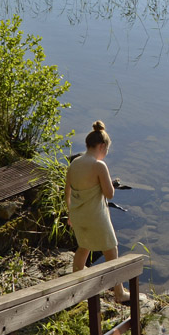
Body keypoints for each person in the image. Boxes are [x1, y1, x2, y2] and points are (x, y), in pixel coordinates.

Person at [65, 120, 129, 302]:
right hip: (95, 217)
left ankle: (75, 287)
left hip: (77, 215)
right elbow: (109, 194)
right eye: (106, 150)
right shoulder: (99, 166)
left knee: (83, 247)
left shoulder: (75, 163)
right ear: (102, 146)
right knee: (111, 251)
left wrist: (70, 213)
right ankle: (119, 293)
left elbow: (67, 191)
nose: (106, 154)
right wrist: (109, 184)